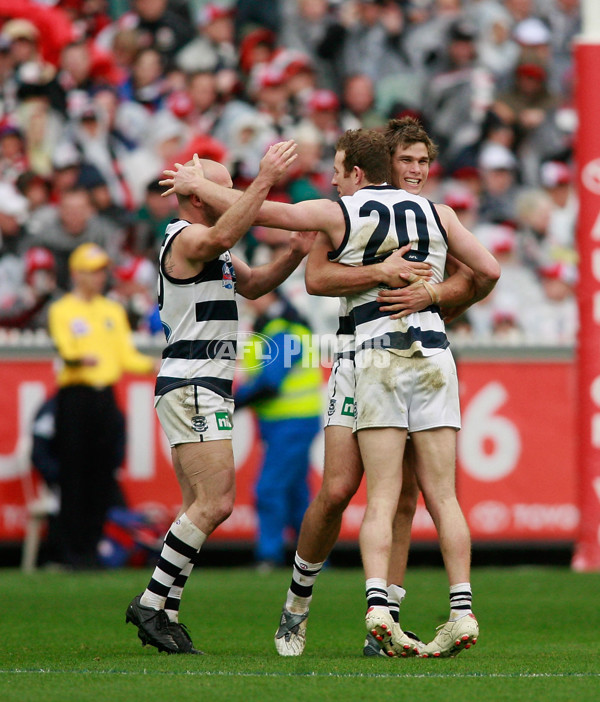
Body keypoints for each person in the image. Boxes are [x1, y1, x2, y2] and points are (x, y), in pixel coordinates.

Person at [160, 129, 500, 659]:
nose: (415, 169)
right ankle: (300, 603)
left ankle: (383, 619)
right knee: (339, 490)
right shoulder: (381, 215)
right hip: (354, 359)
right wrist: (382, 271)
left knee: (401, 496)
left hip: (385, 357)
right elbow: (316, 279)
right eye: (406, 159)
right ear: (388, 164)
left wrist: (432, 294)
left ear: (358, 172)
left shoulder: (411, 212)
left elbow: (474, 278)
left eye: (422, 160)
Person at [125, 140, 317, 655]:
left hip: (196, 383)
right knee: (217, 503)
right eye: (218, 188)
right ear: (193, 196)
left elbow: (252, 286)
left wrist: (294, 252)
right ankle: (150, 602)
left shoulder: (211, 243)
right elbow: (230, 228)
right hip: (194, 383)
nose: (229, 196)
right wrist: (264, 179)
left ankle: (164, 612)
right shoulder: (187, 237)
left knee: (197, 507)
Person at [47, 242, 157, 569]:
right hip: (75, 397)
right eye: (92, 271)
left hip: (104, 398)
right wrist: (79, 357)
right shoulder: (62, 309)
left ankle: (93, 547)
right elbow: (66, 348)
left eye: (101, 271)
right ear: (76, 273)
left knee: (101, 475)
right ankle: (71, 551)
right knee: (73, 475)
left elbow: (125, 355)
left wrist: (152, 364)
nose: (99, 277)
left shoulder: (112, 310)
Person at [235, 287, 322, 570]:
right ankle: (316, 562)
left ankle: (268, 557)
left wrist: (232, 401)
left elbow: (270, 380)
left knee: (269, 489)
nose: (250, 299)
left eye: (256, 294)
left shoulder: (283, 331)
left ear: (273, 297)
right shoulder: (283, 329)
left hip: (291, 423)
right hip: (290, 423)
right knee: (297, 496)